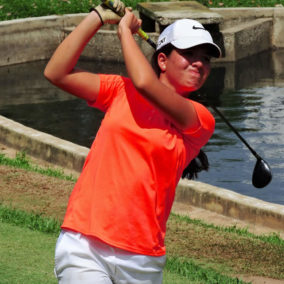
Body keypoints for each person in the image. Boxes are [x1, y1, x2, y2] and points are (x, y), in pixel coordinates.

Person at [44, 0, 221, 283]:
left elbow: (145, 83)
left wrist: (125, 31)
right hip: (84, 244)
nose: (199, 63)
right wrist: (98, 18)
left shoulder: (200, 119)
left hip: (142, 259)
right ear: (162, 60)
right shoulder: (118, 91)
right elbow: (57, 73)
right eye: (189, 53)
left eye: (207, 58)